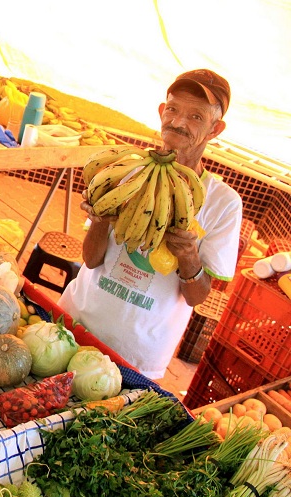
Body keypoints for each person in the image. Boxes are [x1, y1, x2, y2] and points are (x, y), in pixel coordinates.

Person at [57, 69, 243, 380]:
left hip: (138, 356)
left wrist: (187, 253)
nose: (178, 122)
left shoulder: (222, 202)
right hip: (75, 323)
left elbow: (197, 298)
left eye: (196, 117)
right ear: (161, 111)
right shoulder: (123, 171)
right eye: (173, 109)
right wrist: (100, 219)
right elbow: (90, 260)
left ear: (215, 129)